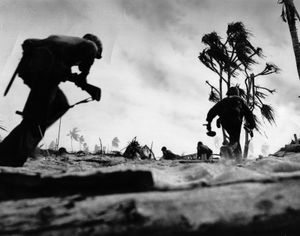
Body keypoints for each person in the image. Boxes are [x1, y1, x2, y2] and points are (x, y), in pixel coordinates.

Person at [0, 34, 102, 167]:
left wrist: (84, 85)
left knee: (59, 105)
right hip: (43, 72)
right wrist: (90, 88)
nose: (91, 61)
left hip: (33, 69)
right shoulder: (90, 46)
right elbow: (80, 77)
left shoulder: (66, 46)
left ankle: (23, 144)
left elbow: (63, 73)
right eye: (94, 58)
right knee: (37, 119)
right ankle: (10, 156)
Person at [205, 87, 256, 159]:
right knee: (235, 140)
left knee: (234, 139)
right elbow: (248, 114)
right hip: (236, 120)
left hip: (225, 122)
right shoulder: (240, 100)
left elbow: (211, 112)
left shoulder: (223, 101)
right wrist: (252, 126)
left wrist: (209, 125)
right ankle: (230, 148)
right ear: (237, 93)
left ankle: (237, 158)